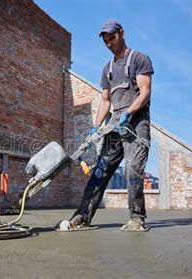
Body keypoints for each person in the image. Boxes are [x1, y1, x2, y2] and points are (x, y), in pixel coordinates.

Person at [69, 19, 154, 232]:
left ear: (122, 33)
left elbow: (144, 93)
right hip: (113, 127)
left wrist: (128, 112)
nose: (109, 44)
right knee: (100, 170)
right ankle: (82, 216)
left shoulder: (139, 59)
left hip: (136, 125)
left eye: (112, 38)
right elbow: (105, 101)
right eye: (105, 41)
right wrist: (96, 126)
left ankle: (137, 218)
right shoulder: (107, 69)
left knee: (133, 170)